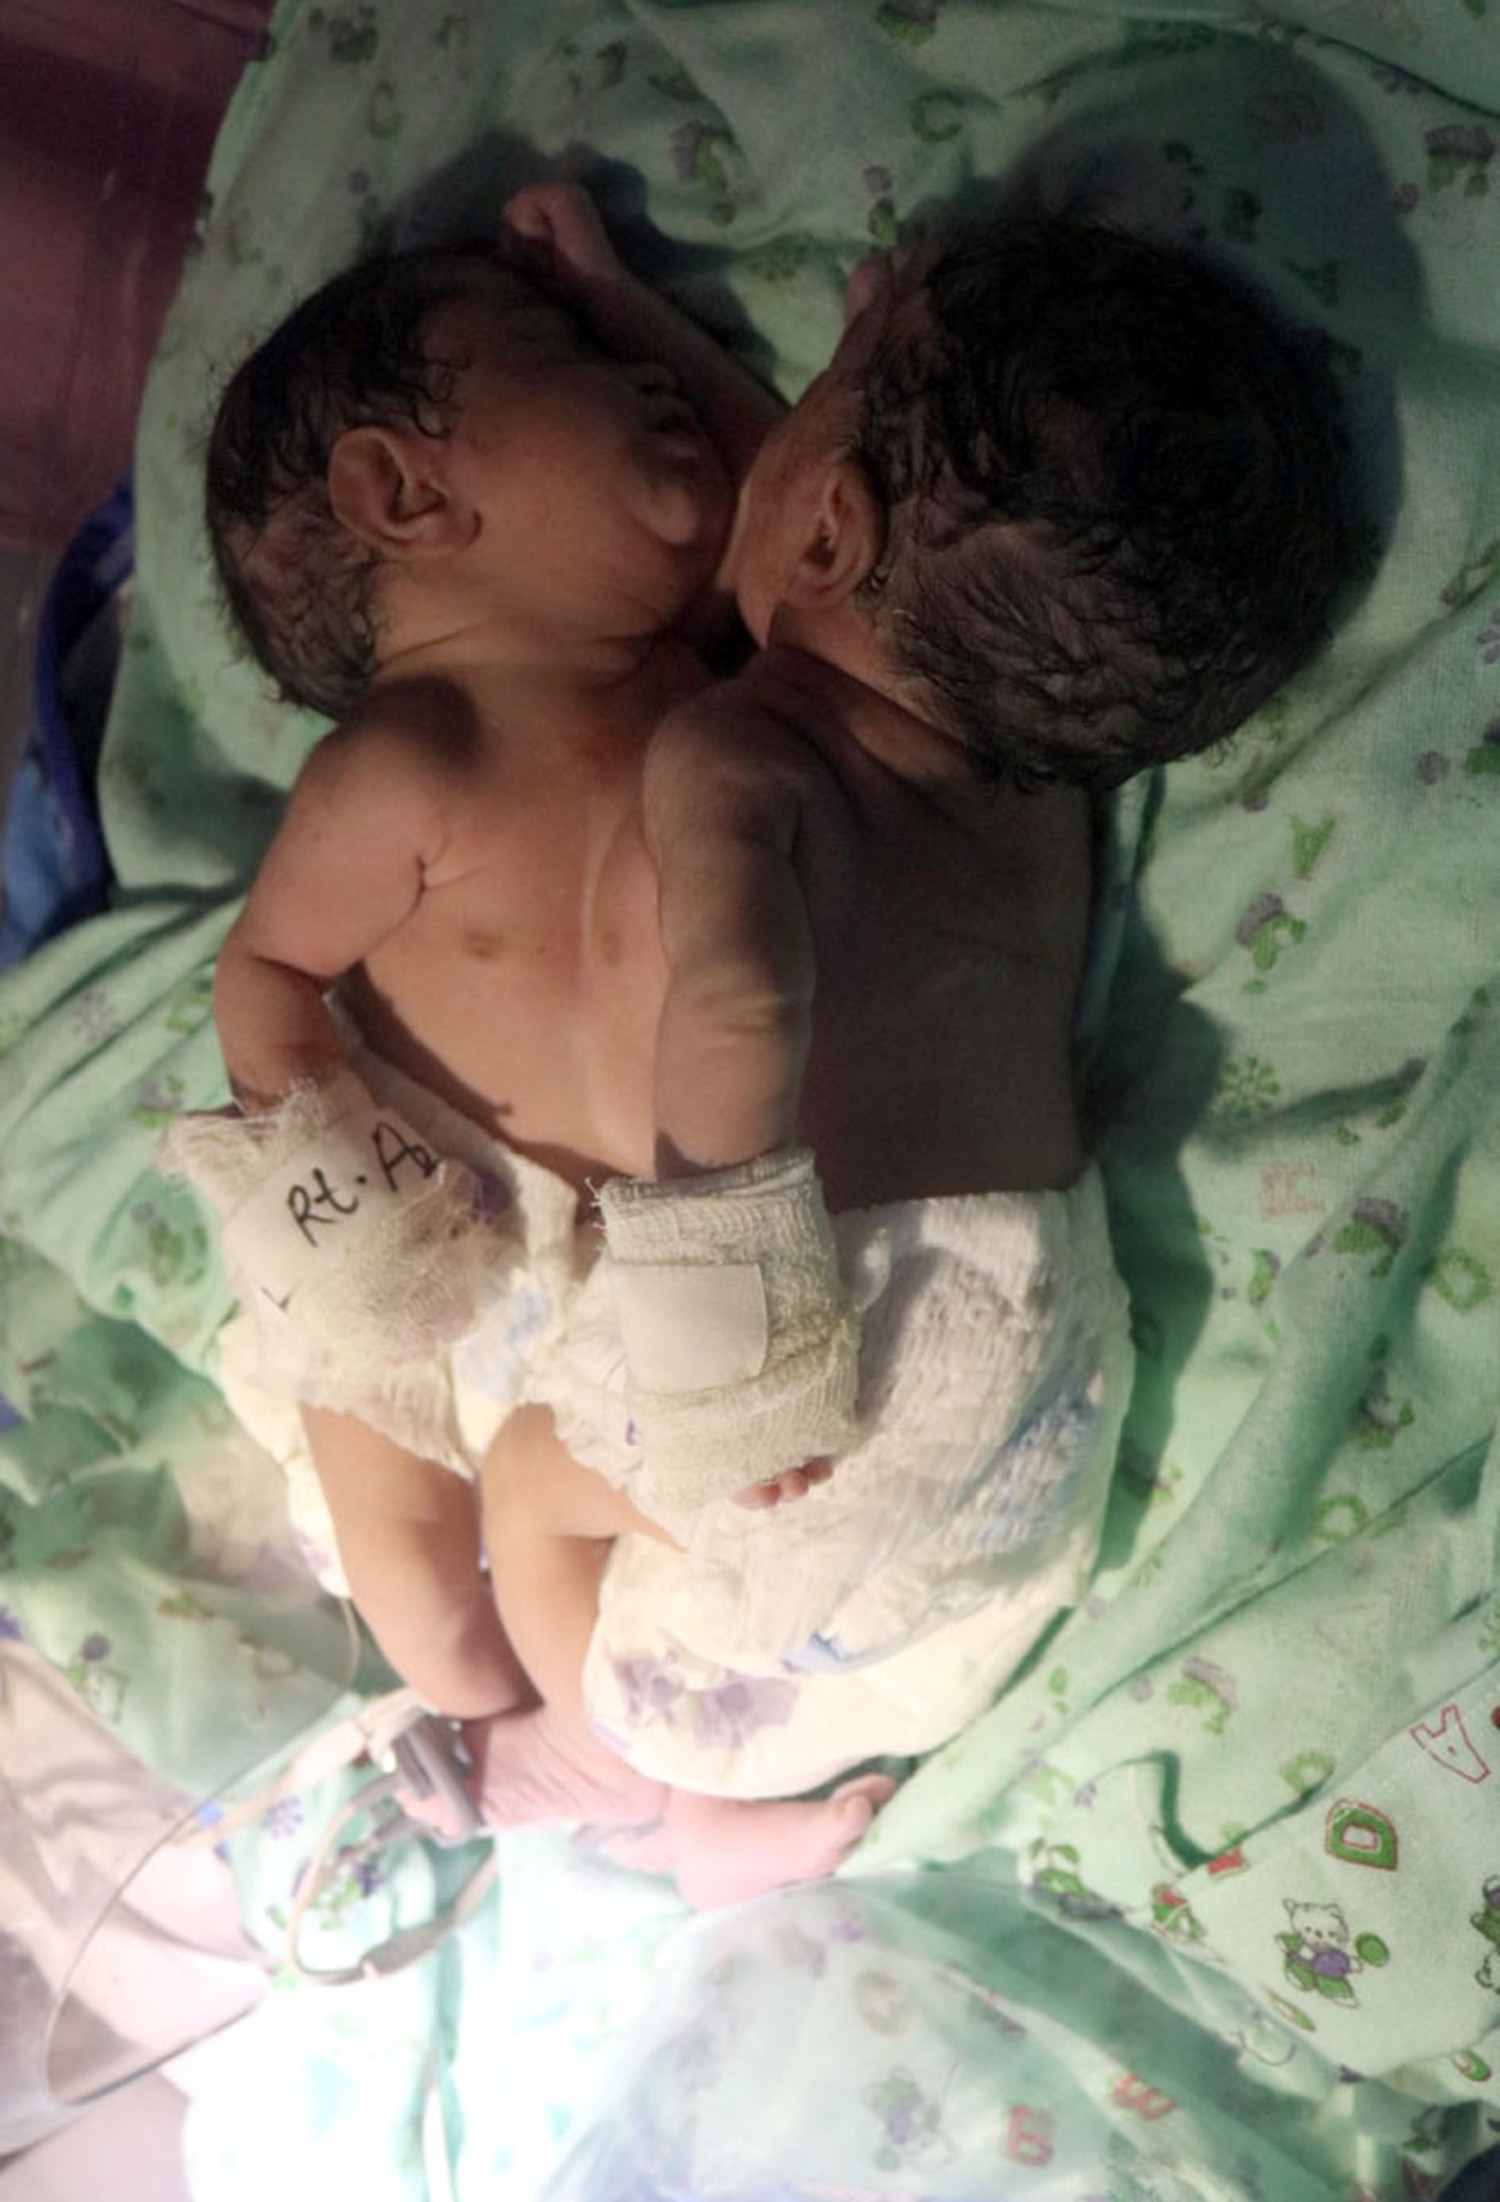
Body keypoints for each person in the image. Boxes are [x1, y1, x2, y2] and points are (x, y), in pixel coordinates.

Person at [170, 188, 1350, 1893]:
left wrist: (727, 1358)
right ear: (407, 494)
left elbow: (741, 997)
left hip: (795, 1324)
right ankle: (539, 1725)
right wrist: (689, 317)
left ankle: (624, 1787)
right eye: (576, 358)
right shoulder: (1024, 767)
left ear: (829, 529)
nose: (685, 394)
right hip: (1019, 1345)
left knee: (530, 1488)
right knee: (407, 1502)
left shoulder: (732, 736)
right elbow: (811, 527)